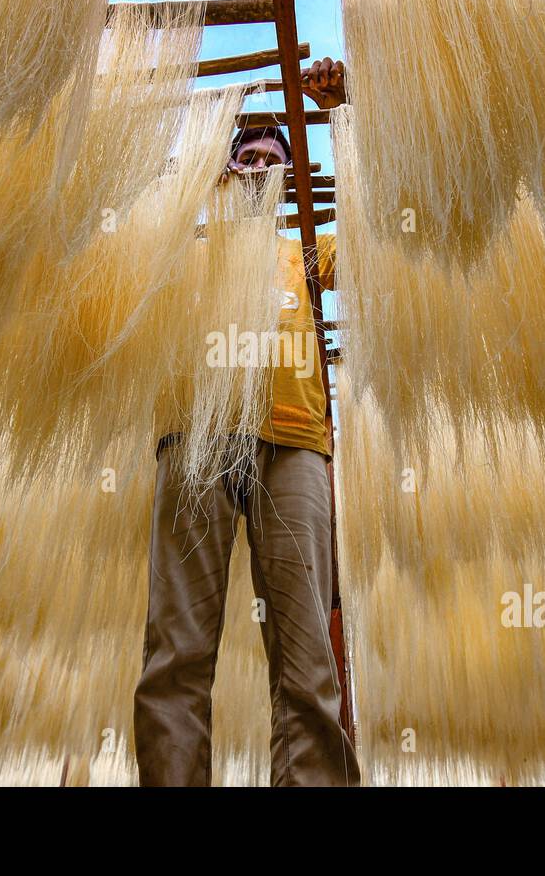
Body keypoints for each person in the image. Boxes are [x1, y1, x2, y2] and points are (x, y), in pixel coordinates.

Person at [133, 58, 360, 786]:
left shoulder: (304, 254)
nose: (260, 163)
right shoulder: (187, 247)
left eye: (274, 157)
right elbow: (130, 247)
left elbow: (370, 237)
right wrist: (187, 177)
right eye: (247, 154)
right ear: (225, 168)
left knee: (306, 660)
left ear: (291, 179)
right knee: (177, 651)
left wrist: (338, 116)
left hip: (293, 443)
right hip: (197, 434)